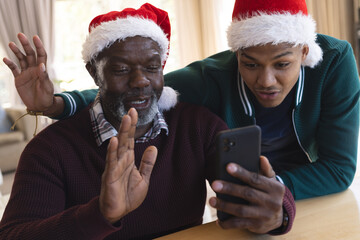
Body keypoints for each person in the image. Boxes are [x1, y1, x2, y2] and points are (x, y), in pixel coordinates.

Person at [8, 0, 358, 201]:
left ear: (305, 52)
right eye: (249, 64)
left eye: (282, 64)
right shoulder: (211, 77)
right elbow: (131, 90)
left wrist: (275, 191)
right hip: (243, 197)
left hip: (309, 189)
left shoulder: (335, 62)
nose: (265, 81)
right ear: (235, 53)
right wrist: (54, 104)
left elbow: (340, 168)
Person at [0, 3, 295, 239]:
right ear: (94, 72)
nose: (140, 81)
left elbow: (252, 195)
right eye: (121, 69)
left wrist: (277, 212)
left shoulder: (199, 127)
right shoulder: (50, 150)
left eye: (152, 67)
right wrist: (100, 215)